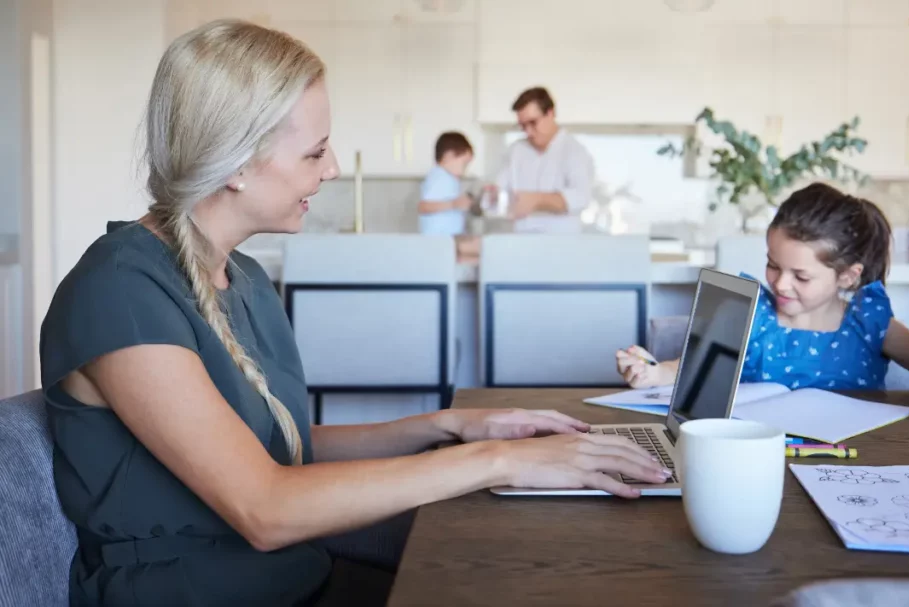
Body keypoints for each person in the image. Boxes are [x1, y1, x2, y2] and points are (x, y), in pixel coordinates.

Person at [40, 20, 669, 607]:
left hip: (295, 578)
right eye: (315, 153)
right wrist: (501, 462)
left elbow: (286, 451)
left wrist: (449, 426)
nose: (334, 167)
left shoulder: (245, 278)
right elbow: (266, 507)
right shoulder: (121, 290)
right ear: (234, 163)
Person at [616, 182, 909, 393]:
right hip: (759, 467)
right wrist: (653, 371)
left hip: (852, 468)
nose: (780, 283)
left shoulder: (869, 320)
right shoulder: (749, 311)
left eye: (801, 276)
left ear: (846, 276)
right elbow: (686, 370)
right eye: (773, 265)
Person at [488, 86, 595, 233]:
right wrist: (492, 195)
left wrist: (537, 200)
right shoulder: (516, 150)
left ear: (550, 113)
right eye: (522, 125)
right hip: (521, 243)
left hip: (560, 246)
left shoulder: (575, 151)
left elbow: (581, 197)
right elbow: (498, 189)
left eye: (533, 123)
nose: (528, 131)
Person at [417, 131, 480, 257]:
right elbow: (423, 207)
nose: (465, 170)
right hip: (438, 243)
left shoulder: (448, 178)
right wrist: (454, 204)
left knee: (485, 246)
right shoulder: (439, 176)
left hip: (447, 241)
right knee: (488, 247)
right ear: (448, 156)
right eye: (464, 164)